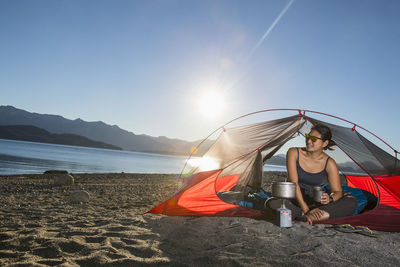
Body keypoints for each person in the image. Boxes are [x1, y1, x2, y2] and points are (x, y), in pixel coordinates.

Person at [285, 124, 358, 225]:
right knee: (273, 203)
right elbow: (293, 183)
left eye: (314, 139)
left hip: (315, 203)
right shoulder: (293, 152)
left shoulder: (329, 163)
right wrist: (305, 208)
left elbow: (337, 191)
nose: (309, 141)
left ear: (325, 143)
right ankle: (312, 216)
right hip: (295, 201)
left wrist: (330, 198)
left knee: (352, 201)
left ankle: (309, 217)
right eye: (308, 137)